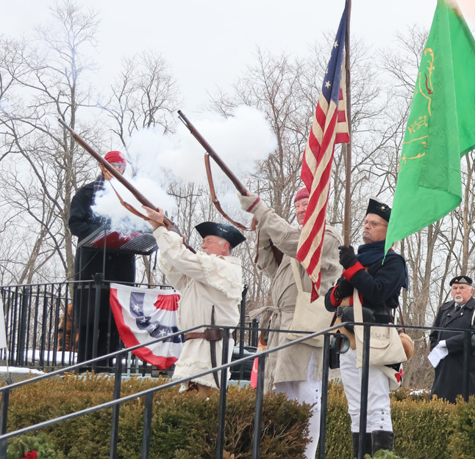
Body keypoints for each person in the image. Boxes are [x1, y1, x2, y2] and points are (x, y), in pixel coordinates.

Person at [239, 187, 341, 458]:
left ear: (321, 206)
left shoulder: (327, 236)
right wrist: (261, 227)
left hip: (306, 326)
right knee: (280, 392)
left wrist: (261, 209)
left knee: (308, 395)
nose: (300, 209)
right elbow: (268, 265)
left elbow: (291, 240)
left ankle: (306, 455)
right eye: (298, 205)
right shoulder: (295, 242)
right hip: (281, 327)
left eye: (307, 203)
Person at [323, 199, 407, 457]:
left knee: (377, 402)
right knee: (355, 407)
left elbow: (377, 291)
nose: (367, 226)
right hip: (348, 337)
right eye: (366, 222)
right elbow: (330, 302)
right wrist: (342, 287)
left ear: (387, 230)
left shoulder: (393, 261)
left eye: (375, 223)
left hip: (375, 335)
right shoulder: (356, 259)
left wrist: (353, 269)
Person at [143, 206, 245, 396]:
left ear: (225, 246)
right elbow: (175, 271)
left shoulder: (223, 268)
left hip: (210, 347)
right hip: (197, 345)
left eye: (208, 241)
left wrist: (162, 231)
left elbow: (182, 259)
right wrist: (168, 238)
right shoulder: (206, 272)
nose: (203, 246)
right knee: (192, 402)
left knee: (206, 401)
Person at [67, 150, 137, 371]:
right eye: (113, 166)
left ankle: (107, 368)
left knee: (115, 320)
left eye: (121, 167)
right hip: (93, 265)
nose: (117, 171)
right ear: (102, 167)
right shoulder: (86, 193)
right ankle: (86, 368)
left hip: (121, 266)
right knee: (90, 320)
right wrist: (101, 233)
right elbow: (75, 224)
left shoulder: (131, 196)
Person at [428, 274, 475, 403]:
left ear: (471, 291)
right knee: (439, 402)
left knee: (462, 405)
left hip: (466, 368)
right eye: (455, 288)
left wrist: (447, 344)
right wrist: (436, 351)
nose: (458, 291)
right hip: (444, 367)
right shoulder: (445, 308)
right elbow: (434, 334)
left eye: (462, 288)